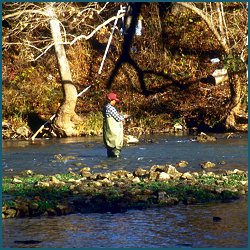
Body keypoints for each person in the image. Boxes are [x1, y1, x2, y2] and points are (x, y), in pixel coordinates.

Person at [102, 92, 130, 158]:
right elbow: (118, 118)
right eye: (114, 100)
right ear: (111, 100)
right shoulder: (111, 108)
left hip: (108, 133)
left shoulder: (105, 108)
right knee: (116, 149)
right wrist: (125, 116)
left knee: (110, 150)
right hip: (114, 133)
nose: (115, 102)